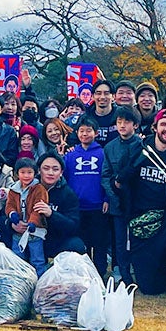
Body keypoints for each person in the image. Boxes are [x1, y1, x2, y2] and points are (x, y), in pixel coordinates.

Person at [118, 108, 166, 311]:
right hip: (143, 222)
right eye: (163, 124)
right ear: (155, 127)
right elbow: (119, 182)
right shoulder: (139, 148)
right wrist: (131, 170)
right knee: (149, 286)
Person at [63, 115, 108, 278]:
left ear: (96, 133)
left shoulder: (103, 153)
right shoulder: (71, 154)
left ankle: (100, 273)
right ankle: (84, 273)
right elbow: (65, 179)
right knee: (83, 243)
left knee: (100, 242)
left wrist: (106, 199)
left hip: (97, 206)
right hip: (78, 207)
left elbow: (107, 178)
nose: (84, 134)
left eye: (88, 131)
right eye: (81, 131)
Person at [101, 106, 142, 285]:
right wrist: (114, 192)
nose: (122, 125)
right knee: (119, 241)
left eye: (126, 122)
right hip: (118, 203)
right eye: (119, 122)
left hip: (139, 202)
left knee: (138, 238)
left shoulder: (142, 145)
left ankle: (139, 271)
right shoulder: (110, 147)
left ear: (135, 125)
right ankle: (123, 273)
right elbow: (105, 175)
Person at [32, 153, 85, 258]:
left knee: (76, 244)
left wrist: (51, 214)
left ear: (61, 173)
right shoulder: (27, 187)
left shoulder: (68, 194)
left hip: (55, 239)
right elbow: (5, 213)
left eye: (55, 169)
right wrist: (13, 225)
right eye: (46, 169)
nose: (50, 173)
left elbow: (73, 226)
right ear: (38, 170)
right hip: (30, 237)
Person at [5, 158, 48, 276]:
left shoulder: (39, 189)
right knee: (17, 258)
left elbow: (38, 208)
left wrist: (33, 222)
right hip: (19, 231)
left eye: (29, 172)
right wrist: (12, 214)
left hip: (34, 231)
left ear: (35, 173)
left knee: (37, 259)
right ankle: (19, 280)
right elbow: (10, 205)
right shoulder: (14, 189)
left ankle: (40, 282)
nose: (26, 176)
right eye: (22, 172)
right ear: (17, 173)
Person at [86, 79, 118, 147]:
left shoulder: (121, 115)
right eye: (98, 93)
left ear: (113, 96)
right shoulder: (85, 117)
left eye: (106, 93)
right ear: (92, 96)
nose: (102, 97)